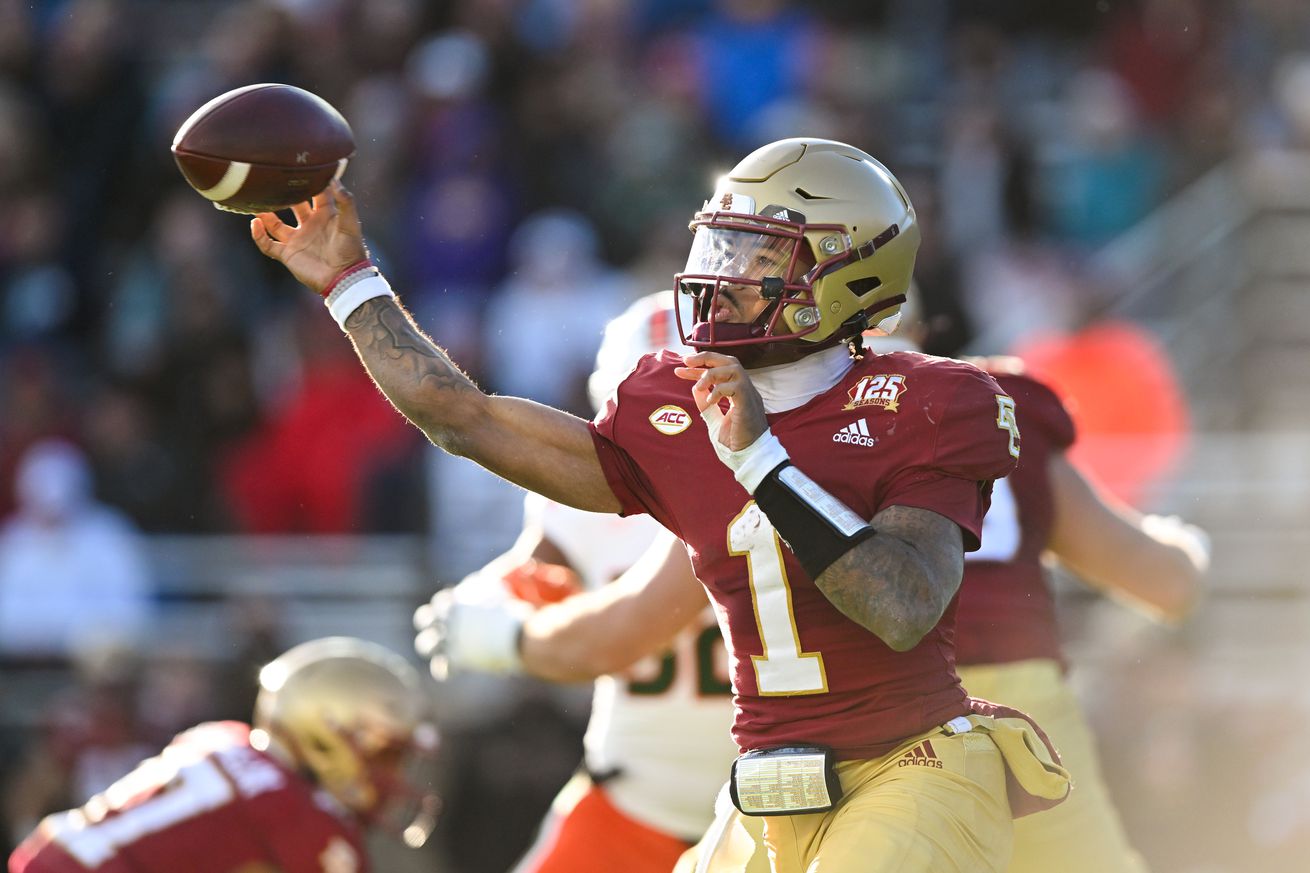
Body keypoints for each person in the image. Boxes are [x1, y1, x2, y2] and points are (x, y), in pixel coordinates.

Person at [249, 137, 1070, 872]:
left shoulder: (925, 399)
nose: (723, 272)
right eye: (724, 241)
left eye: (759, 254)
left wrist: (758, 458)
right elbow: (466, 418)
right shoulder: (672, 403)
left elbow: (901, 605)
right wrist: (352, 282)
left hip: (912, 768)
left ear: (844, 272)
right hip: (764, 792)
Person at [415, 290, 743, 873]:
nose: (673, 425)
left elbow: (624, 631)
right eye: (651, 403)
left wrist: (502, 637)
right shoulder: (579, 501)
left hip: (777, 804)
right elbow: (533, 573)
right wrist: (486, 596)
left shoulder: (762, 492)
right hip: (634, 795)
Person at [9, 637, 439, 873]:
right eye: (384, 754)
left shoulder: (222, 737)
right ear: (326, 736)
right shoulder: (307, 824)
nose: (391, 774)